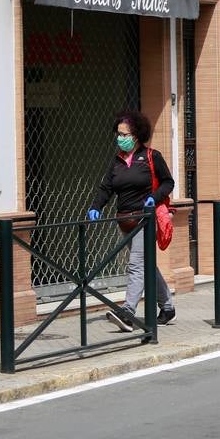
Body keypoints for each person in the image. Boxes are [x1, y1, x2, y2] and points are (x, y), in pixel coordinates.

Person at [88, 110, 176, 330]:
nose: (120, 138)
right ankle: (167, 307)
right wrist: (96, 206)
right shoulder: (117, 161)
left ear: (136, 134)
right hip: (125, 220)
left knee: (136, 265)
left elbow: (168, 183)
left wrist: (152, 198)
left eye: (124, 134)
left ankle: (128, 312)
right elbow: (106, 187)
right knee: (146, 265)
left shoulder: (151, 157)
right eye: (118, 133)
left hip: (145, 219)